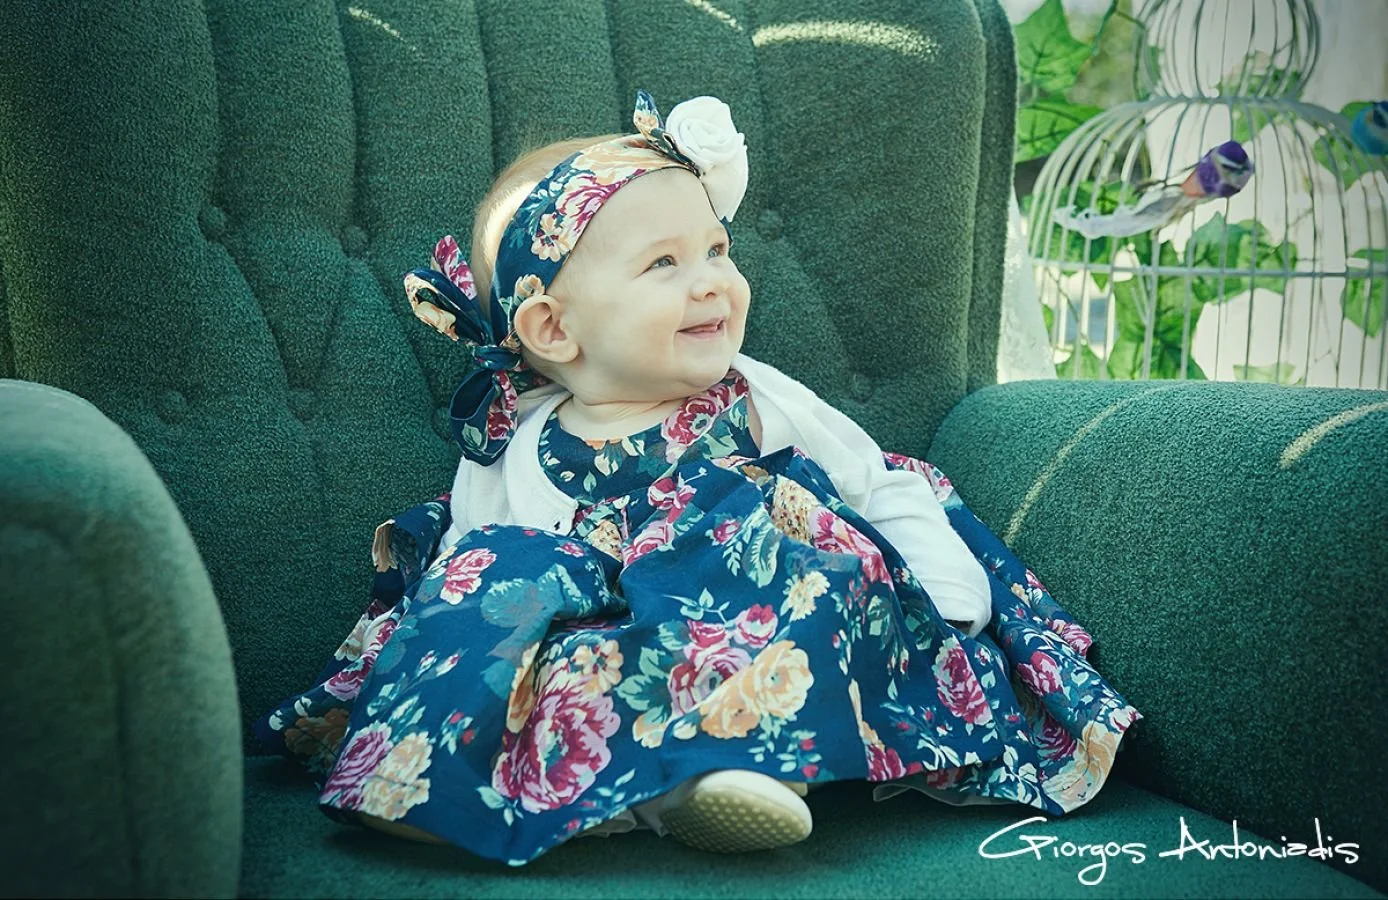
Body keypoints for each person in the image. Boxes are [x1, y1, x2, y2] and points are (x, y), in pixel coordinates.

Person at [254, 90, 1140, 867]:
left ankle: (719, 773)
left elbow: (876, 484)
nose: (714, 282)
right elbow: (480, 565)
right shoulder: (517, 441)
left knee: (774, 539)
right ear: (554, 330)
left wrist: (940, 598)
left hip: (749, 636)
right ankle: (442, 782)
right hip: (608, 654)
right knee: (486, 579)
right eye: (665, 264)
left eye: (716, 249)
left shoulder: (753, 398)